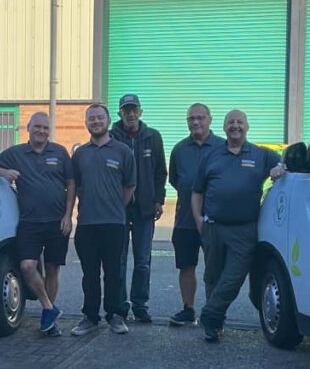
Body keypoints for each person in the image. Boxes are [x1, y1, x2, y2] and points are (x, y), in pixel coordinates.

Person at [191, 109, 286, 342]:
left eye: (240, 122)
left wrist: (280, 168)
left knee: (233, 277)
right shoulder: (211, 155)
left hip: (244, 230)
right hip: (213, 227)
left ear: (247, 127)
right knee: (212, 277)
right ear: (224, 128)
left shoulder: (261, 155)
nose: (235, 126)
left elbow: (286, 162)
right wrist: (199, 221)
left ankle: (210, 314)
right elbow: (197, 192)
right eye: (231, 122)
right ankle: (214, 325)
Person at [0, 112, 74, 336]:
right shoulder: (16, 153)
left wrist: (68, 215)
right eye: (37, 127)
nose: (42, 131)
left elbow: (71, 183)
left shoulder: (59, 152)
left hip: (56, 221)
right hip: (29, 223)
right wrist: (4, 172)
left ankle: (49, 321)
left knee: (52, 269)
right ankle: (49, 308)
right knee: (27, 267)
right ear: (28, 128)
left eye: (45, 128)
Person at [71, 103, 137, 336]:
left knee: (113, 273)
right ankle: (90, 317)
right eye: (91, 118)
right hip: (87, 223)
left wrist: (117, 206)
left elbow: (130, 185)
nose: (96, 121)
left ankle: (115, 315)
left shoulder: (122, 151)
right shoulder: (80, 154)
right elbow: (75, 185)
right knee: (89, 274)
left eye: (100, 117)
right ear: (86, 123)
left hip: (114, 223)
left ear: (108, 121)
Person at [109, 94, 166, 323]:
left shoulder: (153, 137)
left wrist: (159, 200)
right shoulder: (111, 137)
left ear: (141, 112)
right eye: (126, 110)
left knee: (142, 260)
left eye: (134, 110)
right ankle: (120, 306)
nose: (130, 114)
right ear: (120, 113)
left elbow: (160, 171)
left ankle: (140, 305)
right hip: (118, 209)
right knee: (119, 261)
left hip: (144, 210)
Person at [167, 103, 221, 326]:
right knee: (186, 266)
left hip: (215, 220)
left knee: (214, 268)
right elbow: (175, 180)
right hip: (185, 220)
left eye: (200, 117)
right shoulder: (179, 150)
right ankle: (188, 309)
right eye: (192, 118)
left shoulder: (222, 147)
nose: (196, 122)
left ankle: (213, 312)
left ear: (210, 119)